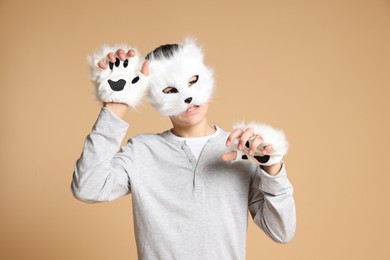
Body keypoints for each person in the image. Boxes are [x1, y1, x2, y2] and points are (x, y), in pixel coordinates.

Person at [71, 38, 296, 260]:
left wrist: (272, 167)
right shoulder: (142, 151)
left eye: (193, 80)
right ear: (152, 96)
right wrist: (116, 104)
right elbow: (88, 188)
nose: (187, 97)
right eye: (169, 90)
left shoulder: (243, 150)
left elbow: (281, 232)